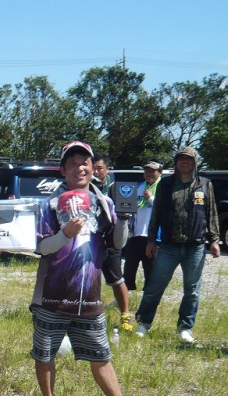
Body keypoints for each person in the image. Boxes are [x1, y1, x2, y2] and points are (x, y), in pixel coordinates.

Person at [31, 141, 159, 396]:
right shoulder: (48, 205)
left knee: (101, 355)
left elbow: (117, 244)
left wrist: (124, 219)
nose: (80, 167)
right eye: (73, 163)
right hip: (52, 294)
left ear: (93, 168)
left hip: (89, 296)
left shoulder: (106, 203)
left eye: (85, 162)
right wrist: (65, 234)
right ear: (63, 169)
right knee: (45, 353)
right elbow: (41, 248)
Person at [134, 147, 220, 344]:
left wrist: (214, 240)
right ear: (176, 162)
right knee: (155, 286)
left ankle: (185, 327)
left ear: (195, 162)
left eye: (188, 159)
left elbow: (212, 213)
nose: (184, 162)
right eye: (180, 158)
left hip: (195, 246)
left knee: (192, 290)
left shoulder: (204, 184)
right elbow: (156, 213)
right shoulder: (166, 184)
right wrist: (151, 240)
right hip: (169, 246)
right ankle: (143, 323)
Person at [91, 155, 134, 331]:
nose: (96, 171)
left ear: (107, 169)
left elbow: (127, 209)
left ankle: (125, 316)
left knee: (116, 279)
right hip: (91, 240)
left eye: (100, 168)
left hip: (111, 241)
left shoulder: (117, 188)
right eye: (93, 168)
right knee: (89, 279)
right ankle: (89, 314)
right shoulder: (87, 188)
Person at [123, 161, 163, 293]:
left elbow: (167, 210)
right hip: (136, 234)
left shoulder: (165, 188)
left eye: (153, 171)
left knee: (151, 270)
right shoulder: (138, 187)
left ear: (160, 172)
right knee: (129, 268)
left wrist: (151, 198)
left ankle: (149, 298)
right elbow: (127, 205)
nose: (149, 174)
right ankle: (124, 297)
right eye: (147, 171)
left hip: (153, 237)